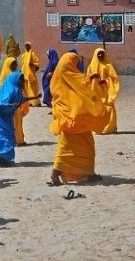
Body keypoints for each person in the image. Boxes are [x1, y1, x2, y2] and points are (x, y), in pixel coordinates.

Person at [48, 52, 110, 186]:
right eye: (74, 63)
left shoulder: (60, 76)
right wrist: (89, 80)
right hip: (72, 119)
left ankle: (88, 173)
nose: (75, 65)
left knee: (86, 147)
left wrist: (89, 78)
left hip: (78, 121)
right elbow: (80, 84)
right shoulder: (68, 74)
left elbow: (79, 84)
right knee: (66, 149)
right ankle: (55, 173)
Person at [0, 68, 39, 166]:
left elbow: (21, 100)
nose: (22, 82)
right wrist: (12, 106)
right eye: (21, 80)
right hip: (2, 116)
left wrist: (34, 98)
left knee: (2, 134)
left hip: (9, 117)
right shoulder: (11, 91)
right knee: (6, 136)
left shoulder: (17, 90)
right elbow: (3, 104)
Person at [0, 57, 34, 146]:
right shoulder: (4, 79)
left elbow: (23, 88)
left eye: (15, 63)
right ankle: (14, 140)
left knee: (18, 123)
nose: (14, 65)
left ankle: (20, 140)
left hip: (18, 105)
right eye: (12, 64)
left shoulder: (18, 75)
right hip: (9, 106)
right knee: (12, 124)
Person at [85, 48, 119, 134]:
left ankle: (110, 128)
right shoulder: (91, 66)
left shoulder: (108, 65)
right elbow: (86, 79)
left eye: (102, 54)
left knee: (108, 107)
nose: (100, 55)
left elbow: (114, 79)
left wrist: (106, 81)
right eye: (98, 54)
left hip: (106, 91)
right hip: (94, 91)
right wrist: (93, 76)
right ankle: (96, 127)